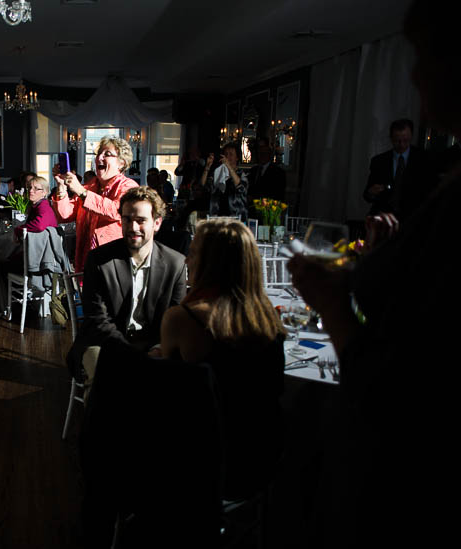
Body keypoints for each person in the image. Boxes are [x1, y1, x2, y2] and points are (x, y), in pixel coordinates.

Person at [287, 2, 459, 544]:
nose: (415, 74)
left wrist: (334, 302)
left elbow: (403, 376)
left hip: (404, 472)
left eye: (429, 54)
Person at [160, 218, 285, 500]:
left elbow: (169, 398)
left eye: (193, 252)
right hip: (261, 463)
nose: (186, 260)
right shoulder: (269, 319)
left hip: (200, 467)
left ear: (211, 263)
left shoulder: (183, 319)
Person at [68, 186, 188, 371]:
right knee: (105, 376)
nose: (133, 227)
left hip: (153, 344)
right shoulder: (99, 260)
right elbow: (97, 319)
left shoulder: (176, 264)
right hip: (104, 342)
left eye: (141, 221)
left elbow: (174, 319)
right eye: (127, 219)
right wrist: (131, 355)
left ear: (157, 223)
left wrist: (157, 348)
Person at [53, 136, 139, 271]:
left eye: (107, 154)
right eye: (99, 153)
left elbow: (117, 210)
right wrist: (61, 187)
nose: (99, 158)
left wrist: (81, 191)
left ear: (121, 163)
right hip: (86, 261)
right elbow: (64, 216)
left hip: (112, 264)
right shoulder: (90, 186)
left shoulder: (128, 186)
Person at [363, 118, 431, 221]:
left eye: (405, 140)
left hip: (412, 218)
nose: (401, 144)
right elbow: (367, 195)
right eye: (397, 141)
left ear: (411, 136)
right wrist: (372, 192)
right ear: (390, 138)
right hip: (383, 218)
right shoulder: (379, 161)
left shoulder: (423, 159)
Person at [199, 141, 249, 220]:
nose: (228, 157)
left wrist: (229, 166)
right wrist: (207, 167)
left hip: (236, 217)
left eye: (231, 154)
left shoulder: (242, 174)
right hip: (217, 216)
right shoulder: (218, 173)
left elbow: (241, 188)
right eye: (226, 154)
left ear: (237, 157)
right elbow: (204, 186)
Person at [247, 137, 286, 202]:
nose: (262, 156)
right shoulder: (253, 170)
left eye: (265, 153)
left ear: (269, 155)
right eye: (260, 153)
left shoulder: (278, 172)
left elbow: (278, 194)